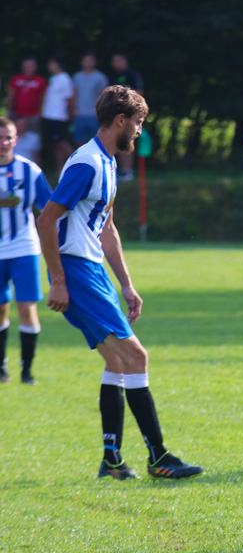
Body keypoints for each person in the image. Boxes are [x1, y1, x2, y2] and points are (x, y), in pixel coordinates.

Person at [36, 85, 203, 481]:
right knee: (137, 357)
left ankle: (112, 460)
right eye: (139, 123)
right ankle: (158, 457)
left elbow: (107, 228)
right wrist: (58, 280)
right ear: (120, 120)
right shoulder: (87, 164)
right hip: (76, 271)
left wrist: (127, 284)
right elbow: (46, 220)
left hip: (91, 270)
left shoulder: (108, 163)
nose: (140, 132)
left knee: (117, 361)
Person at [0, 117, 52, 385]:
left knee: (26, 308)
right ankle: (1, 366)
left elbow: (50, 209)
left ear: (15, 140)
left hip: (24, 248)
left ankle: (27, 370)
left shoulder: (30, 171)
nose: (3, 143)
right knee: (0, 309)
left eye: (7, 138)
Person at [107, 54, 144, 182]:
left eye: (119, 60)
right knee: (116, 140)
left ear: (125, 61)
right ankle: (119, 170)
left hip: (130, 114)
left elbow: (139, 93)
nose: (116, 63)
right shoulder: (113, 77)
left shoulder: (132, 75)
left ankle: (128, 171)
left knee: (127, 140)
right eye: (114, 60)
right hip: (116, 114)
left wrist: (135, 111)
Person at [41, 56, 75, 174]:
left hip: (59, 116)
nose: (49, 66)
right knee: (56, 143)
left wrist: (70, 114)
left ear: (57, 64)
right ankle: (60, 169)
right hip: (50, 115)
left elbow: (69, 99)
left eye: (51, 63)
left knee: (61, 142)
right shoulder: (53, 78)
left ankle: (78, 163)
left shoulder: (64, 79)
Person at [72, 53, 109, 146]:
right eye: (85, 60)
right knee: (79, 142)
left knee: (98, 142)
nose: (87, 63)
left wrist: (100, 112)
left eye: (90, 60)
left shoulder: (100, 77)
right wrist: (74, 110)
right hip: (80, 114)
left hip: (94, 115)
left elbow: (103, 97)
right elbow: (74, 94)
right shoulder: (77, 77)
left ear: (94, 62)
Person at [6, 57, 47, 127]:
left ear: (35, 67)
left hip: (33, 116)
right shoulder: (16, 79)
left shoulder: (40, 80)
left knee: (33, 136)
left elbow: (42, 98)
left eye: (30, 66)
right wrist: (9, 111)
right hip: (17, 114)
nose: (28, 68)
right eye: (26, 66)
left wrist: (40, 114)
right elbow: (11, 96)